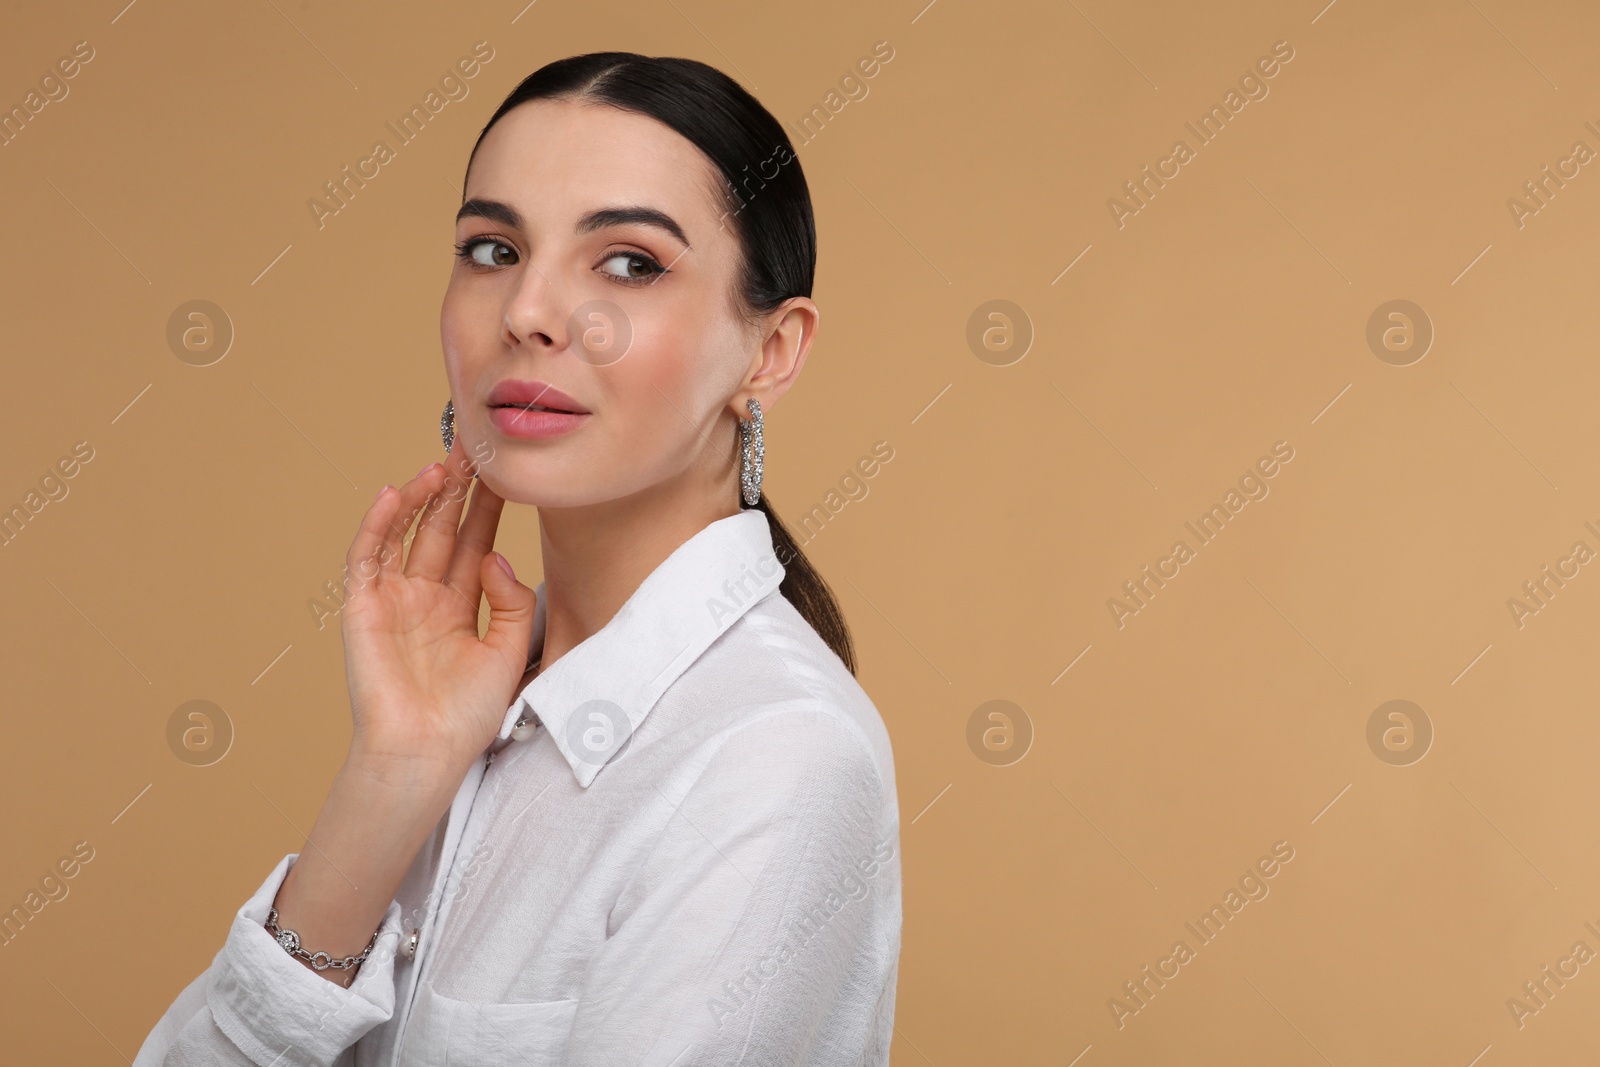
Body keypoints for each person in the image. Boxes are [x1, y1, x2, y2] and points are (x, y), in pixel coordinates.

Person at [131, 51, 901, 1066]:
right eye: (492, 248)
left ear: (771, 350)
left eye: (629, 262)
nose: (528, 311)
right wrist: (391, 775)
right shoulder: (468, 700)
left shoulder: (775, 755)